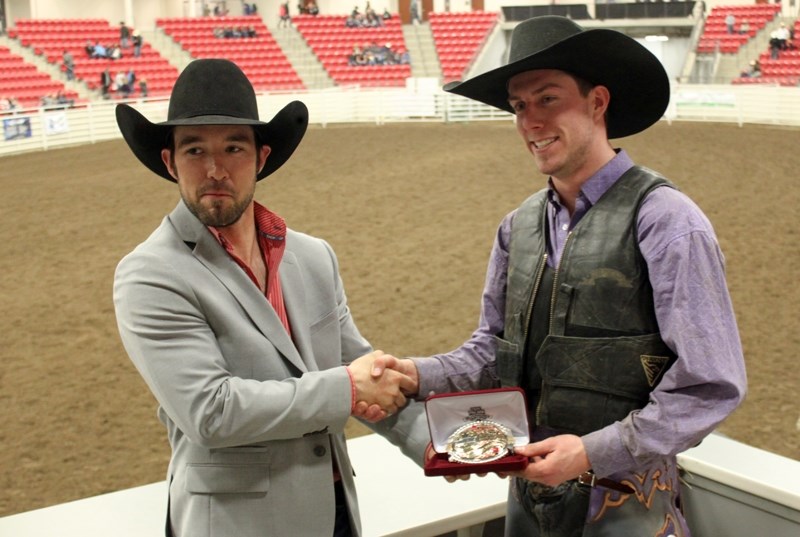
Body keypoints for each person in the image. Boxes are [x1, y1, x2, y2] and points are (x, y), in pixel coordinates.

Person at [369, 15, 747, 537]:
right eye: (519, 106)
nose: (530, 122)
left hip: (627, 506)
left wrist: (592, 451)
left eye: (548, 99)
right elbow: (491, 350)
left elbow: (711, 384)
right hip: (528, 503)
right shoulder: (517, 228)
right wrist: (414, 373)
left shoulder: (667, 220)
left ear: (597, 102)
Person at [113, 58, 417, 537]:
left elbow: (361, 368)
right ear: (171, 163)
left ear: (261, 157)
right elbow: (212, 412)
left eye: (234, 147)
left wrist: (445, 448)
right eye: (195, 150)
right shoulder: (149, 274)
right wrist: (349, 388)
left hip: (333, 512)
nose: (215, 169)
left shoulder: (314, 257)